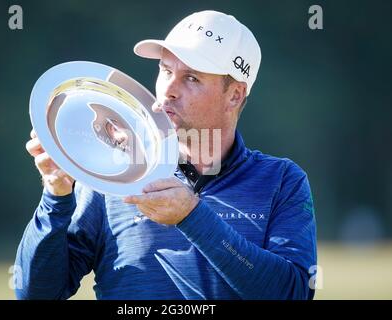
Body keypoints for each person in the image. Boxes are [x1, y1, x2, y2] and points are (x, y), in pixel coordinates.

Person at [16, 10, 317, 300]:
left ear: (235, 95)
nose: (168, 90)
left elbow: (293, 292)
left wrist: (193, 218)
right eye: (166, 70)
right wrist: (56, 197)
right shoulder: (114, 172)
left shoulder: (282, 180)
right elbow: (36, 293)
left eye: (192, 78)